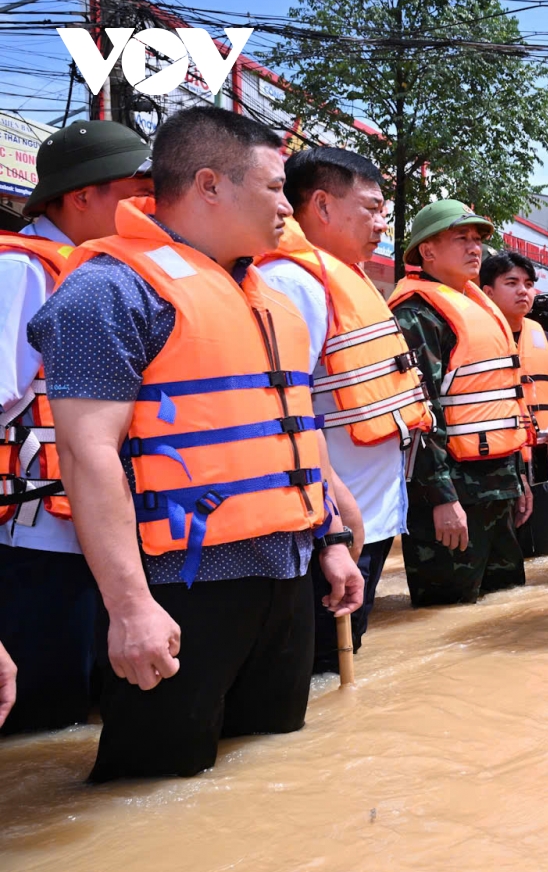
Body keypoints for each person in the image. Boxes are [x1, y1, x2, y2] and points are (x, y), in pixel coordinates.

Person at [27, 107, 363, 781]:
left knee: (272, 767)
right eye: (273, 188)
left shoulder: (269, 295)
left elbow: (289, 424)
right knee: (155, 786)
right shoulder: (109, 291)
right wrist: (129, 609)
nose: (288, 209)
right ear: (211, 185)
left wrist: (327, 538)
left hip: (285, 575)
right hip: (179, 590)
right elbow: (88, 455)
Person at [0, 121, 150, 735]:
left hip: (102, 537)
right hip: (39, 542)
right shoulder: (22, 271)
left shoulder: (105, 270)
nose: (145, 204)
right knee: (41, 725)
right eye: (131, 190)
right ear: (81, 196)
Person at [256, 146, 430, 674]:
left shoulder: (344, 277)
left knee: (337, 672)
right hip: (330, 525)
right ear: (322, 206)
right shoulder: (296, 283)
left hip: (367, 520)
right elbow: (286, 407)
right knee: (318, 671)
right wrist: (336, 512)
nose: (382, 223)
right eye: (372, 208)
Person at [388, 199, 531, 606]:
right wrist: (442, 499)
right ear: (427, 251)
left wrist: (518, 478)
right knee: (448, 613)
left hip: (497, 487)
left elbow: (504, 404)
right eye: (461, 238)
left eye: (477, 240)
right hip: (452, 496)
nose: (475, 249)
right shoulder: (416, 317)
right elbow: (419, 415)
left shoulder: (481, 308)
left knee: (505, 611)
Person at [478, 251, 548, 558]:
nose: (524, 290)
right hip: (498, 467)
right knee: (504, 560)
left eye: (529, 283)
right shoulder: (473, 343)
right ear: (487, 291)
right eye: (512, 282)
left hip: (546, 463)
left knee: (546, 558)